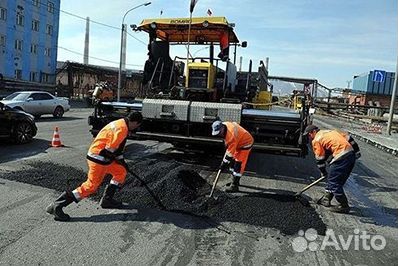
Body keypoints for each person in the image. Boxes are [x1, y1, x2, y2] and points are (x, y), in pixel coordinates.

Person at [46, 111, 143, 221]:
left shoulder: (119, 123)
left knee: (120, 171)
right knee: (91, 186)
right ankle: (57, 205)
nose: (136, 128)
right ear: (134, 122)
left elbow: (117, 150)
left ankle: (107, 200)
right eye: (137, 125)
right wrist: (118, 160)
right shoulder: (122, 130)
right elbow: (108, 151)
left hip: (102, 157)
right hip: (98, 158)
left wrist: (122, 163)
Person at [303, 125, 360, 213]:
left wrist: (323, 172)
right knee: (336, 179)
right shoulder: (331, 132)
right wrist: (357, 151)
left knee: (334, 182)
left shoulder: (317, 140)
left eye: (309, 135)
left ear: (314, 132)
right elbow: (349, 138)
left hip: (341, 157)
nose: (309, 137)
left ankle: (343, 205)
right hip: (350, 156)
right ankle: (326, 199)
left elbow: (320, 159)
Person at [211, 120, 254, 193]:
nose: (219, 135)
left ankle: (235, 185)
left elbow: (229, 154)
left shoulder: (231, 136)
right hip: (238, 142)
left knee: (238, 164)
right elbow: (229, 147)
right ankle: (233, 180)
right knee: (232, 163)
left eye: (219, 132)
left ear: (222, 128)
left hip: (245, 144)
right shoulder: (225, 125)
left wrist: (223, 164)